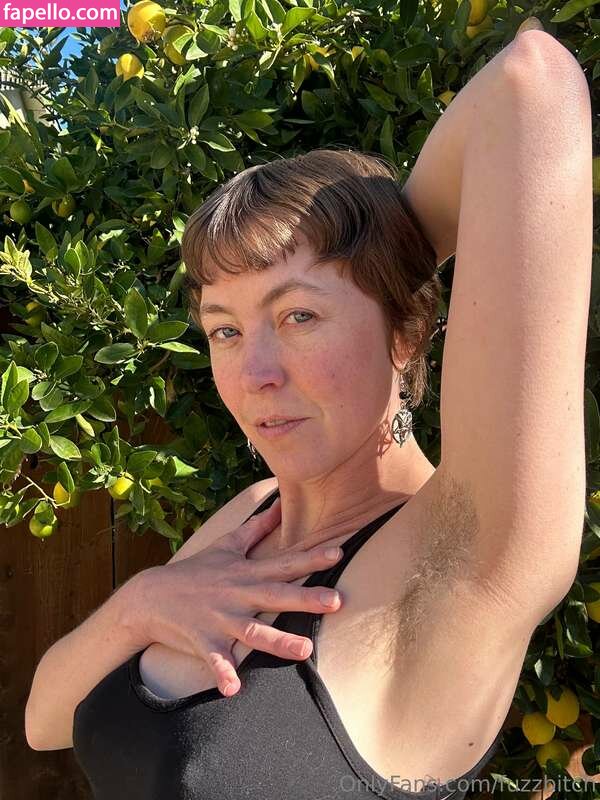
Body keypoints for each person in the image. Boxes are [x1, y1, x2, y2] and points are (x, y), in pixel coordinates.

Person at [25, 28, 591, 800]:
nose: (254, 374)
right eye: (225, 330)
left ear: (406, 332)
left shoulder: (461, 555)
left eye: (298, 316)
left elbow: (532, 83)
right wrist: (140, 604)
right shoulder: (250, 516)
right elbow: (44, 719)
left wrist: (383, 250)